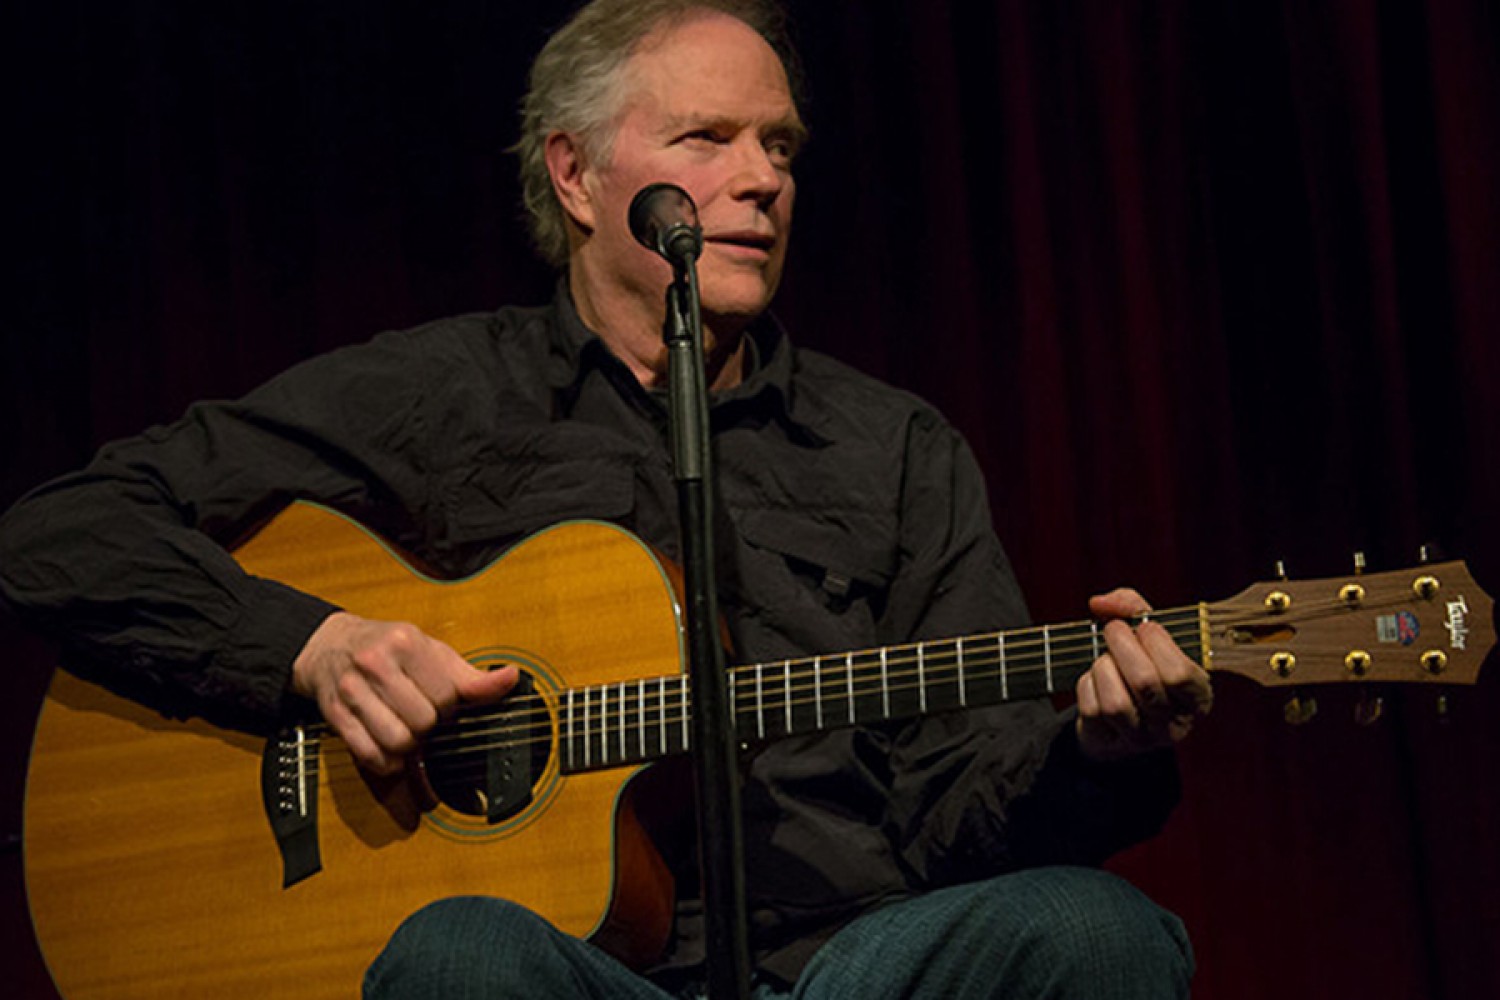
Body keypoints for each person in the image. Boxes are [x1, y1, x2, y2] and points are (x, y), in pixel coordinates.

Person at [0, 0, 1212, 997]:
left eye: (781, 147)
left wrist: (1095, 753)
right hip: (572, 974)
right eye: (707, 139)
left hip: (846, 965)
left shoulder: (896, 447)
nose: (761, 182)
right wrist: (311, 648)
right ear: (576, 176)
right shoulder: (443, 394)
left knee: (1098, 934)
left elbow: (960, 814)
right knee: (458, 956)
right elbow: (57, 533)